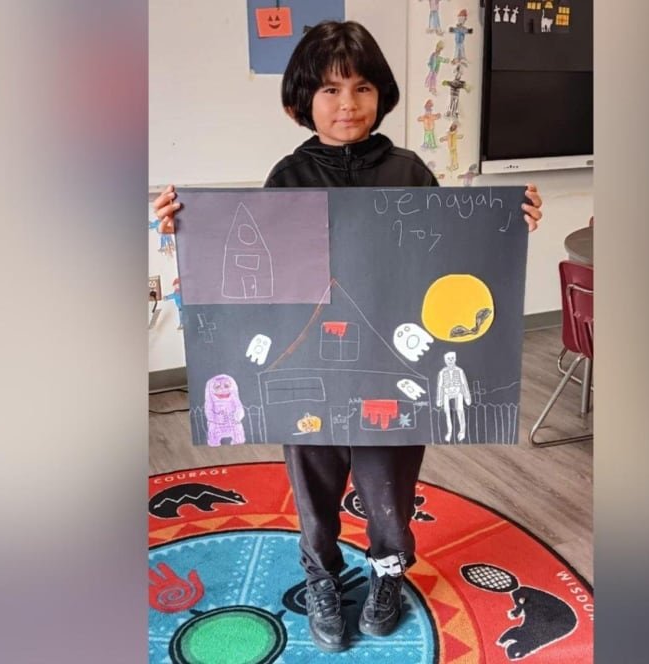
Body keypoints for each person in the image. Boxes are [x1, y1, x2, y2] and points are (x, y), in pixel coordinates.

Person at [152, 20, 543, 653]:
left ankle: (388, 571)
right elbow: (263, 278)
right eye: (330, 91)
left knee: (389, 487)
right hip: (311, 370)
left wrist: (508, 223)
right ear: (300, 102)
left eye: (361, 88)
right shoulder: (287, 176)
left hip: (390, 373)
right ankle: (323, 575)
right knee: (314, 483)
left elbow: (448, 258)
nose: (347, 105)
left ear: (380, 95)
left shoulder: (410, 171)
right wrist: (185, 225)